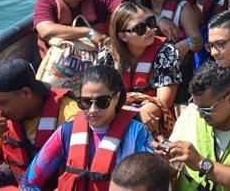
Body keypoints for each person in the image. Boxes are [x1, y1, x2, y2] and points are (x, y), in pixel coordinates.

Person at [21, 65, 154, 190]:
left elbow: (153, 183)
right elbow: (28, 182)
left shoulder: (137, 133)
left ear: (117, 98)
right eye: (86, 102)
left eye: (102, 102)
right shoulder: (66, 133)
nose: (93, 110)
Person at [0, 58, 80, 185]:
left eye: (2, 103)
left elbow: (76, 177)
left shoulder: (69, 117)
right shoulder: (0, 118)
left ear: (26, 93)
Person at [96, 3, 182, 137]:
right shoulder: (107, 55)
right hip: (116, 117)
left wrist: (139, 116)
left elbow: (164, 101)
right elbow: (97, 96)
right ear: (123, 36)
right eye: (140, 28)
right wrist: (130, 116)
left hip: (154, 120)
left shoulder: (166, 51)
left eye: (150, 22)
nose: (149, 29)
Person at [136, 0, 203, 76]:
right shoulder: (137, 5)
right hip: (143, 70)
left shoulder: (182, 8)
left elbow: (198, 41)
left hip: (173, 71)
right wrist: (159, 19)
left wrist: (188, 42)